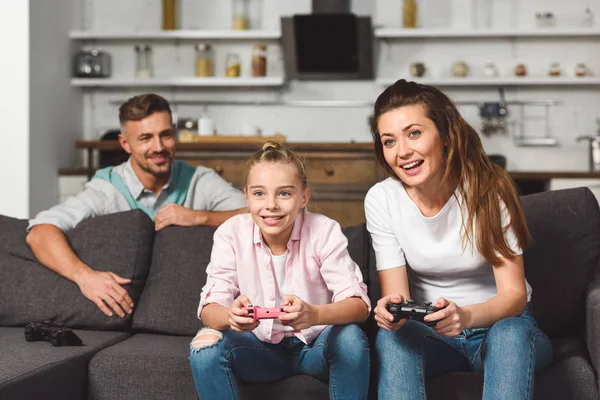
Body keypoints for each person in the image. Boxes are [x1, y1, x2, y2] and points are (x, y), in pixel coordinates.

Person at [365, 79, 553, 399]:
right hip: (435, 335)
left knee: (510, 334)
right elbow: (397, 297)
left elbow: (514, 295)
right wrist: (390, 313)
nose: (403, 152)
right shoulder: (381, 199)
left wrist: (464, 316)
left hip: (503, 329)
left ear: (445, 135)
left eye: (414, 133)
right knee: (391, 338)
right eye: (389, 141)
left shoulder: (486, 189)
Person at [26, 93, 247, 318]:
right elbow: (39, 232)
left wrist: (200, 217)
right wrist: (84, 276)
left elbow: (256, 214)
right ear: (126, 144)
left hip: (187, 310)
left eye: (166, 135)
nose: (158, 146)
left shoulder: (199, 180)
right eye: (145, 138)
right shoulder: (106, 188)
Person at [189, 141, 371, 400]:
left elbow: (359, 306)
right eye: (259, 193)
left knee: (351, 339)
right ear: (247, 196)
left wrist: (314, 314)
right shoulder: (231, 233)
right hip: (260, 351)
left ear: (303, 197)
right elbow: (209, 309)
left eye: (284, 193)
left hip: (315, 348)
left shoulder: (324, 230)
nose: (271, 205)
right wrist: (232, 316)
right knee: (204, 345)